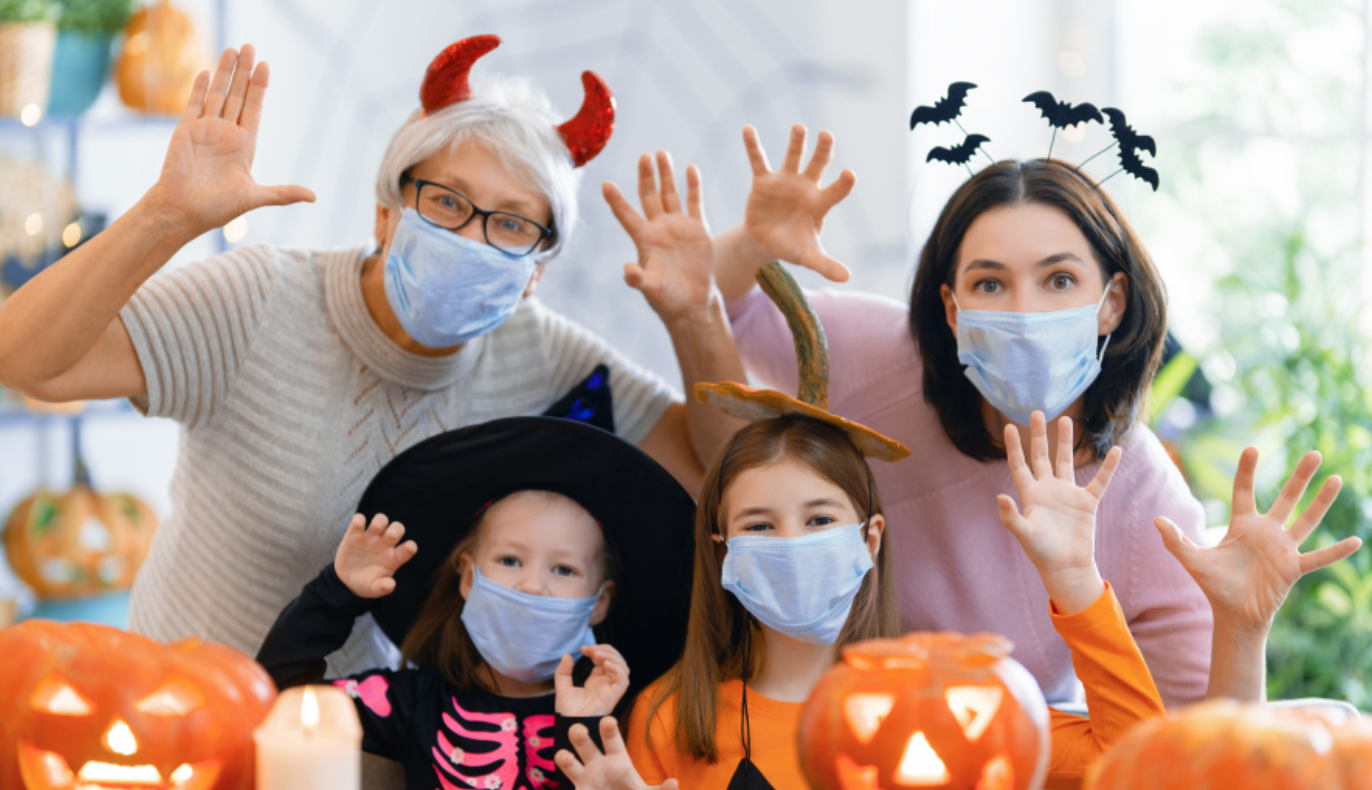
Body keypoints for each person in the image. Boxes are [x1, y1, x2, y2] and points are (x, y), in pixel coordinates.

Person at [0, 37, 743, 676]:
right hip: (195, 718)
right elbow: (26, 361)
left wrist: (696, 319)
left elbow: (730, 477)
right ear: (387, 211)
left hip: (387, 743)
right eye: (447, 202)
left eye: (511, 224)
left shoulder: (544, 353)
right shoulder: (259, 299)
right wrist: (166, 215)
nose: (474, 239)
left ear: (538, 270)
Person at [552, 413, 1360, 790]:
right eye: (761, 526)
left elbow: (1133, 762)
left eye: (819, 519)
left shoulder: (957, 705)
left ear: (869, 540)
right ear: (723, 552)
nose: (793, 542)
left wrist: (1074, 580)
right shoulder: (668, 719)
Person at [708, 125, 1215, 705]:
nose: (1024, 313)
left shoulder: (1148, 503)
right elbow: (723, 306)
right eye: (991, 283)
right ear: (952, 309)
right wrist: (753, 242)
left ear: (1113, 304)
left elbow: (1192, 725)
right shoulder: (880, 356)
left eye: (1060, 280)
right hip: (831, 722)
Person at [257, 416, 699, 790]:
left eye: (563, 570)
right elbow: (279, 697)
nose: (531, 586)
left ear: (600, 601)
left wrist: (581, 726)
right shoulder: (414, 701)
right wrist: (336, 592)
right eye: (509, 560)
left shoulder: (628, 712)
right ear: (469, 577)